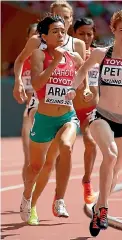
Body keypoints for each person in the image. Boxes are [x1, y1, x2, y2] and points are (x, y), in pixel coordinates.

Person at [66, 9, 122, 237]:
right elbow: (82, 72)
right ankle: (104, 209)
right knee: (111, 154)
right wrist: (72, 89)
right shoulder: (101, 54)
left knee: (114, 173)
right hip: (102, 117)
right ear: (113, 30)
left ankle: (98, 207)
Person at [20, 15, 83, 225]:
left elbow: (83, 81)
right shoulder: (39, 54)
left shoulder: (73, 56)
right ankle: (28, 197)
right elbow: (37, 84)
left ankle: (59, 199)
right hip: (44, 118)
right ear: (44, 36)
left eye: (62, 31)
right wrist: (55, 61)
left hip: (67, 115)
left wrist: (84, 90)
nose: (60, 34)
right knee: (37, 167)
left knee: (66, 146)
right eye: (54, 31)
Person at [73, 18, 99, 204]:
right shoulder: (66, 53)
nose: (86, 37)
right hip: (69, 109)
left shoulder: (100, 54)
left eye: (89, 33)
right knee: (59, 152)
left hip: (91, 110)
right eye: (81, 33)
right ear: (74, 34)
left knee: (90, 142)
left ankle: (87, 180)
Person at [20, 23, 39, 184]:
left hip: (47, 114)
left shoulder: (48, 57)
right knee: (28, 159)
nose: (37, 37)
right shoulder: (22, 60)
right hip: (29, 113)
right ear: (28, 38)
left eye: (40, 34)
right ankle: (28, 196)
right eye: (34, 34)